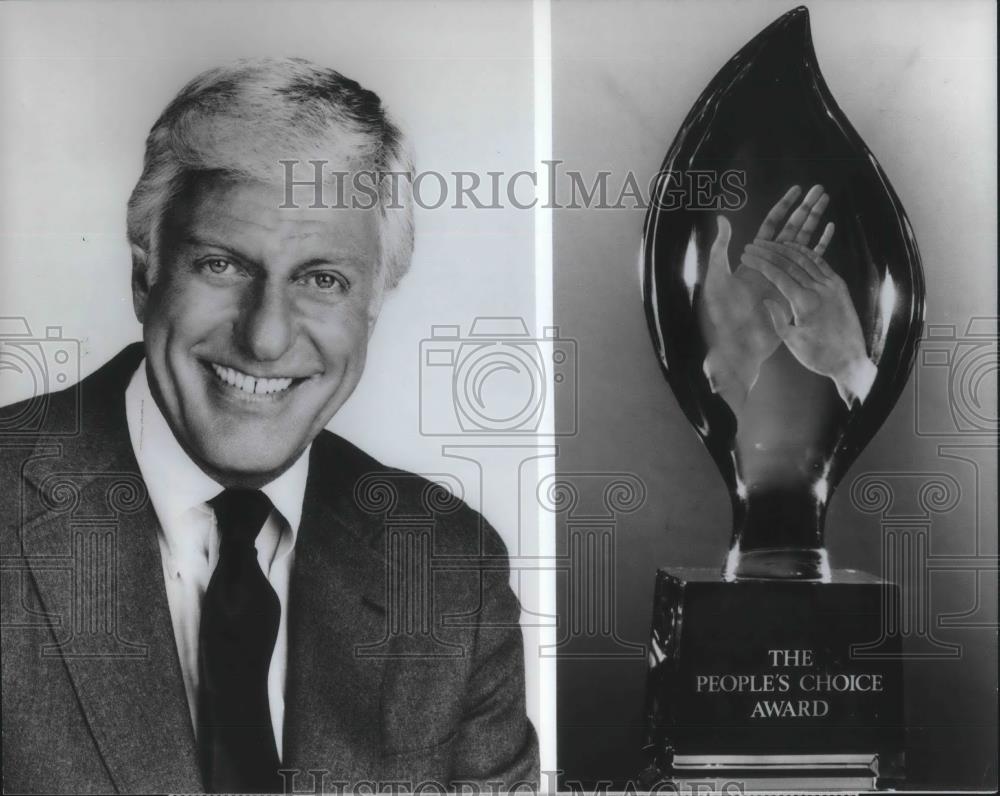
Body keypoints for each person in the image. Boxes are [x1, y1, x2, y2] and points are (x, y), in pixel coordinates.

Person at [0, 57, 538, 794]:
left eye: (323, 280)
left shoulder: (448, 567)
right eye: (222, 265)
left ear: (372, 308)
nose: (265, 338)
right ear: (142, 275)